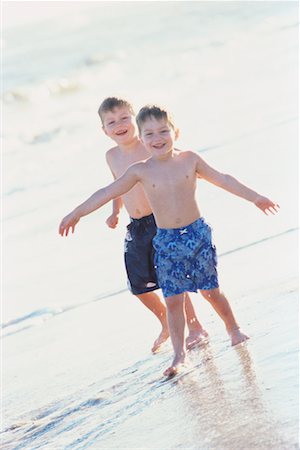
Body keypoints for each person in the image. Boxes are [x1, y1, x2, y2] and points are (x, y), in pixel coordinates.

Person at [59, 104, 279, 377]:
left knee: (211, 291)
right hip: (165, 241)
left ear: (176, 132)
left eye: (163, 131)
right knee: (173, 299)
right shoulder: (140, 171)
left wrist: (255, 197)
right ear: (141, 137)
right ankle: (179, 356)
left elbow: (223, 179)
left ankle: (233, 329)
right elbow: (106, 191)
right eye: (149, 133)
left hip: (197, 235)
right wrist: (76, 213)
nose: (157, 138)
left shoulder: (189, 159)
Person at [102, 97, 207, 353]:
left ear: (135, 120)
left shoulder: (148, 145)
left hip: (161, 222)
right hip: (136, 226)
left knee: (171, 280)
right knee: (138, 284)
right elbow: (118, 185)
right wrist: (115, 211)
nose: (119, 125)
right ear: (104, 130)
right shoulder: (112, 155)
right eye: (111, 122)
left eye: (124, 118)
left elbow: (173, 162)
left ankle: (195, 327)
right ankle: (166, 322)